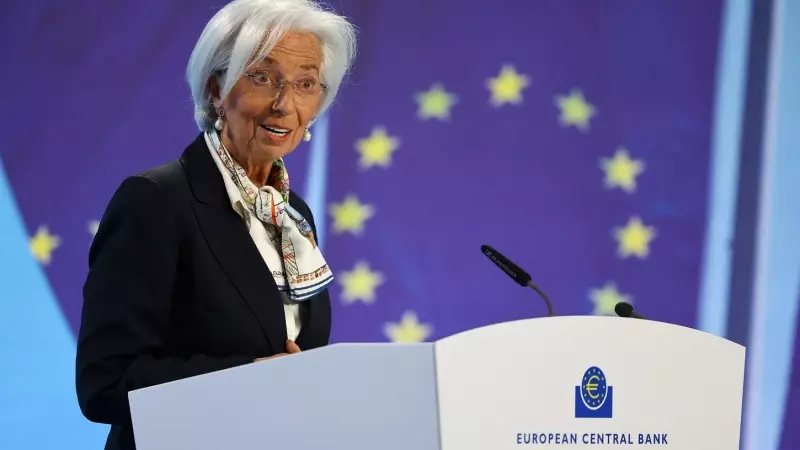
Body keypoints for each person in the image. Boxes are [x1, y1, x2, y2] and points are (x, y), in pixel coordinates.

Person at [75, 0, 356, 448]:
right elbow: (105, 383)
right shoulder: (156, 200)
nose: (285, 105)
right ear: (215, 90)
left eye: (305, 84)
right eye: (263, 78)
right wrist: (246, 377)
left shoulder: (290, 215)